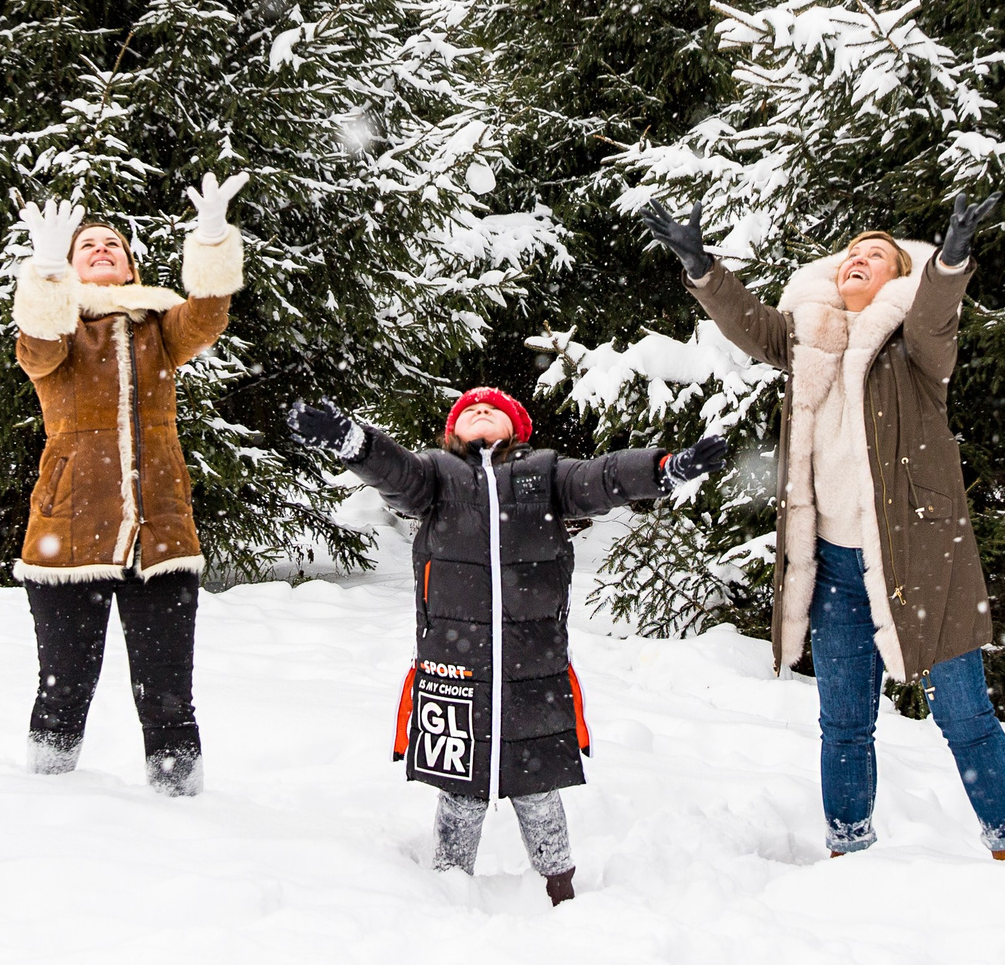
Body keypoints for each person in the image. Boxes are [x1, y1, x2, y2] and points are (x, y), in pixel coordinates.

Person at [640, 191, 1005, 861]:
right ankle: (848, 853)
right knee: (844, 724)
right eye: (851, 253)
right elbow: (751, 323)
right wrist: (701, 266)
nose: (856, 259)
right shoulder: (807, 344)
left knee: (964, 718)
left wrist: (952, 255)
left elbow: (937, 314)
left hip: (922, 561)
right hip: (835, 567)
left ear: (897, 277)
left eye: (874, 256)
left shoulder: (915, 352)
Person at [287, 385, 731, 904]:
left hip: (534, 662)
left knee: (539, 785)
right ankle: (449, 886)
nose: (480, 412)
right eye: (470, 410)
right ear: (453, 432)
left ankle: (559, 883)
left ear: (515, 429)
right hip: (454, 665)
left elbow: (605, 477)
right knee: (459, 790)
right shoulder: (435, 475)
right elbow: (396, 473)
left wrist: (663, 469)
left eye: (491, 410)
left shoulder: (545, 474)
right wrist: (354, 441)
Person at [10, 174, 248, 795]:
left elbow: (207, 317)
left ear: (131, 263)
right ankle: (43, 802)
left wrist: (212, 240)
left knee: (169, 693)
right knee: (63, 688)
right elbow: (35, 350)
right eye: (85, 245)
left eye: (111, 243)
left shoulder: (158, 327)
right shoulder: (57, 333)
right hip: (66, 535)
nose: (100, 248)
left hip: (161, 533)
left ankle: (181, 807)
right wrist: (44, 276)